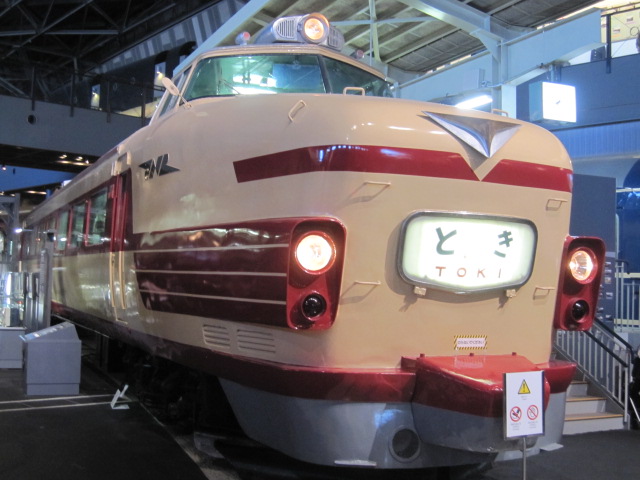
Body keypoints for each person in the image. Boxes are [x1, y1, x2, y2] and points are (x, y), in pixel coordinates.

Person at [631, 346, 640, 429]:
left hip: (638, 381)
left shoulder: (637, 360)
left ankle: (634, 419)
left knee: (633, 396)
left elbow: (633, 374)